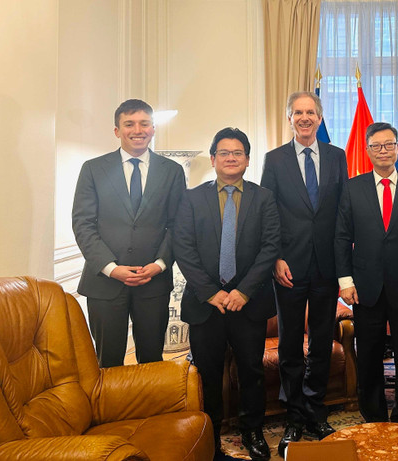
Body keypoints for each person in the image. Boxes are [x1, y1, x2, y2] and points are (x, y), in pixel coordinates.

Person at [173, 127, 280, 460]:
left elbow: (270, 247)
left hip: (248, 304)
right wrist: (211, 293)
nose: (231, 158)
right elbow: (183, 247)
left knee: (252, 370)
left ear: (247, 159)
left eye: (238, 153)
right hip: (206, 306)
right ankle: (210, 432)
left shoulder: (264, 198)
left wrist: (243, 292)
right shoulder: (191, 198)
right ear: (213, 158)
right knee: (207, 373)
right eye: (224, 153)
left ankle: (252, 430)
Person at [260, 91, 348, 455]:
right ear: (289, 117)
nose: (305, 117)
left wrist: (345, 266)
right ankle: (293, 414)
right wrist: (276, 257)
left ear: (320, 117)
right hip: (289, 268)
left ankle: (315, 408)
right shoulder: (275, 159)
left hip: (327, 266)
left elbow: (344, 212)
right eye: (298, 112)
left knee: (322, 344)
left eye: (311, 112)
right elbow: (267, 212)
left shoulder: (337, 156)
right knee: (291, 344)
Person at [335, 122, 398, 425]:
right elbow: (341, 237)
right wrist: (345, 281)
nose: (383, 150)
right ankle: (374, 414)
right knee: (368, 355)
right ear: (367, 150)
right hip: (365, 287)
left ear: (396, 148)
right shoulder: (352, 189)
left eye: (389, 144)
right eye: (377, 145)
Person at [72, 99, 186, 368]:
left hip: (153, 283)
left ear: (153, 128)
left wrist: (159, 265)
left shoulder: (172, 172)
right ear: (117, 131)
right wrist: (112, 268)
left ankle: (152, 409)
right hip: (105, 282)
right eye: (129, 124)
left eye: (144, 123)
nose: (138, 130)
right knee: (108, 362)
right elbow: (83, 224)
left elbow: (178, 225)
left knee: (152, 359)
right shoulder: (93, 169)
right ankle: (111, 412)